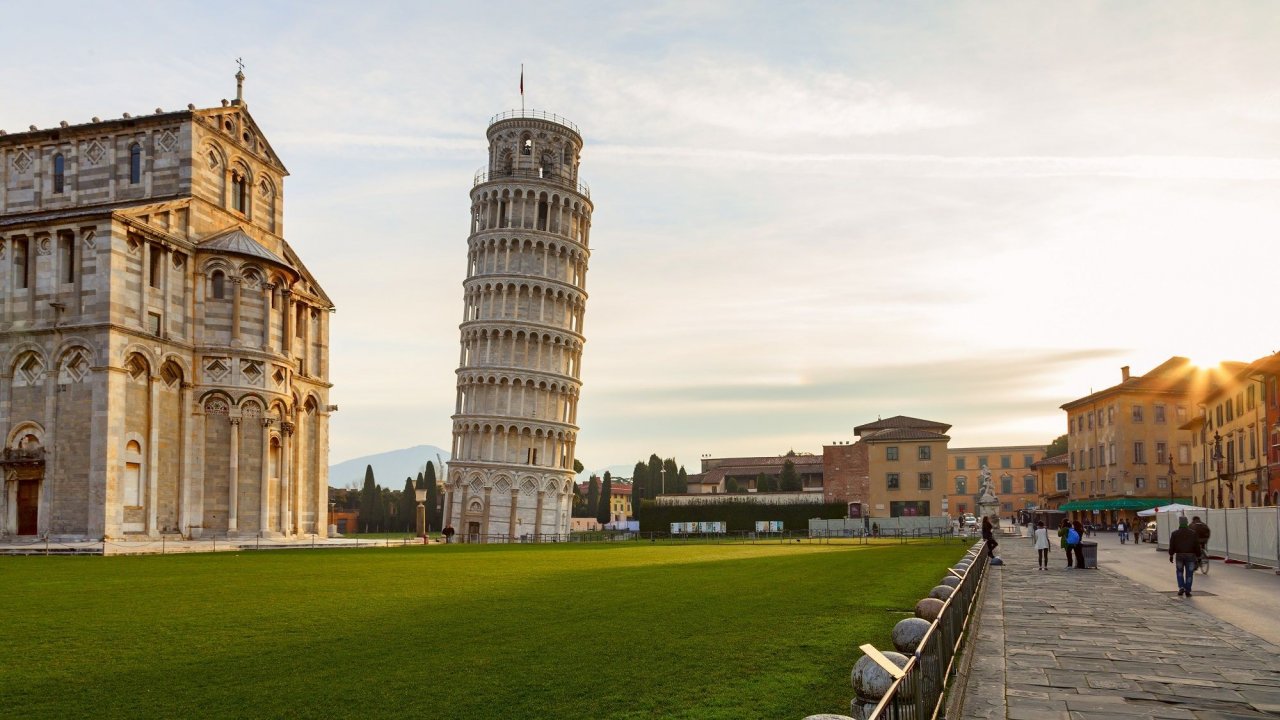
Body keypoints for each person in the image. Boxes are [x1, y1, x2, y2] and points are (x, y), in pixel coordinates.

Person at [1168, 516, 1200, 597]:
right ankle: (1188, 589)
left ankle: (1181, 587)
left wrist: (1171, 554)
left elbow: (1172, 545)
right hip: (1191, 556)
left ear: (1179, 523)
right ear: (1187, 522)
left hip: (1179, 555)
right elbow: (1197, 546)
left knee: (1179, 572)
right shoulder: (1193, 533)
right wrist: (1198, 556)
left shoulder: (1175, 533)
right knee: (1189, 573)